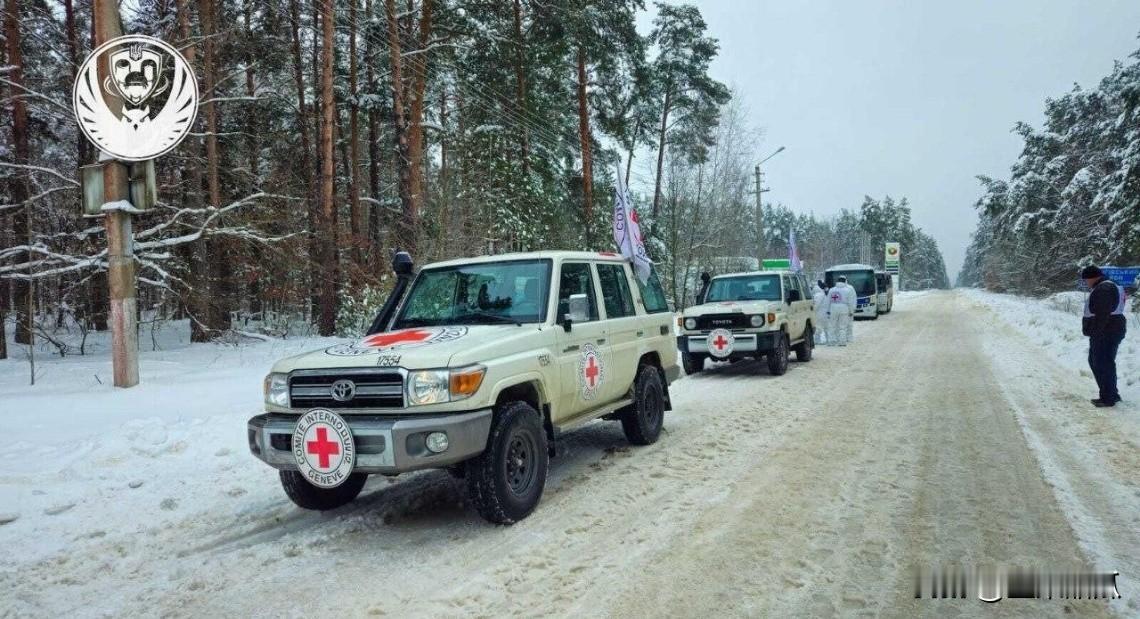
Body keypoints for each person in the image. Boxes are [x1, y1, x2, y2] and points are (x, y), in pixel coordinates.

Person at [1081, 265, 1126, 407]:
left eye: (1086, 280)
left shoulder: (1104, 288)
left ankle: (1108, 398)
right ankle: (1111, 393)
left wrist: (1096, 331)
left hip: (1106, 331)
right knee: (1101, 361)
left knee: (1102, 363)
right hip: (1111, 328)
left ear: (1092, 277)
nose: (1086, 283)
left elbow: (1102, 313)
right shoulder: (1109, 285)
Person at [828, 277, 853, 346]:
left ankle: (831, 341)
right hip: (844, 309)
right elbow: (850, 302)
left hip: (833, 308)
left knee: (832, 325)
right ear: (845, 282)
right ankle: (842, 342)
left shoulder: (831, 290)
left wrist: (828, 310)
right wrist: (851, 311)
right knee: (843, 326)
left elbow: (828, 301)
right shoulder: (848, 290)